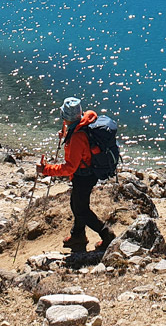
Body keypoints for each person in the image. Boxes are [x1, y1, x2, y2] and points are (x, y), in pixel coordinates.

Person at [37, 97, 115, 252]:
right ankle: (77, 235)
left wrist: (46, 170)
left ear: (65, 116)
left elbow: (70, 167)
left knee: (81, 209)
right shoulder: (83, 123)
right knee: (77, 204)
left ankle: (107, 235)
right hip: (87, 173)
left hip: (83, 176)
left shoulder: (78, 136)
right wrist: (65, 133)